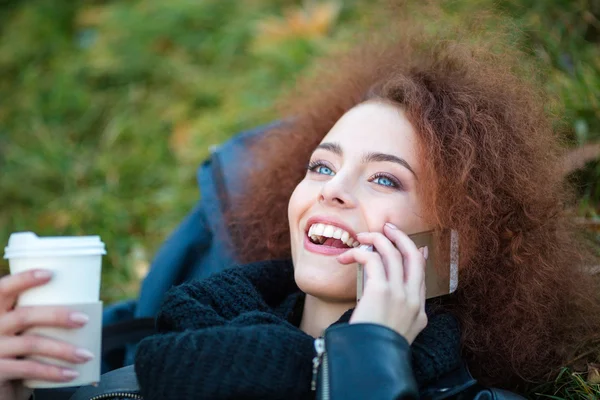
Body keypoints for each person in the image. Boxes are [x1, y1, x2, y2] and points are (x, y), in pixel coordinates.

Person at [1, 25, 599, 400]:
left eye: (385, 178)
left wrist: (371, 354)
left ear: (448, 246)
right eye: (321, 166)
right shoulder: (173, 329)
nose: (332, 190)